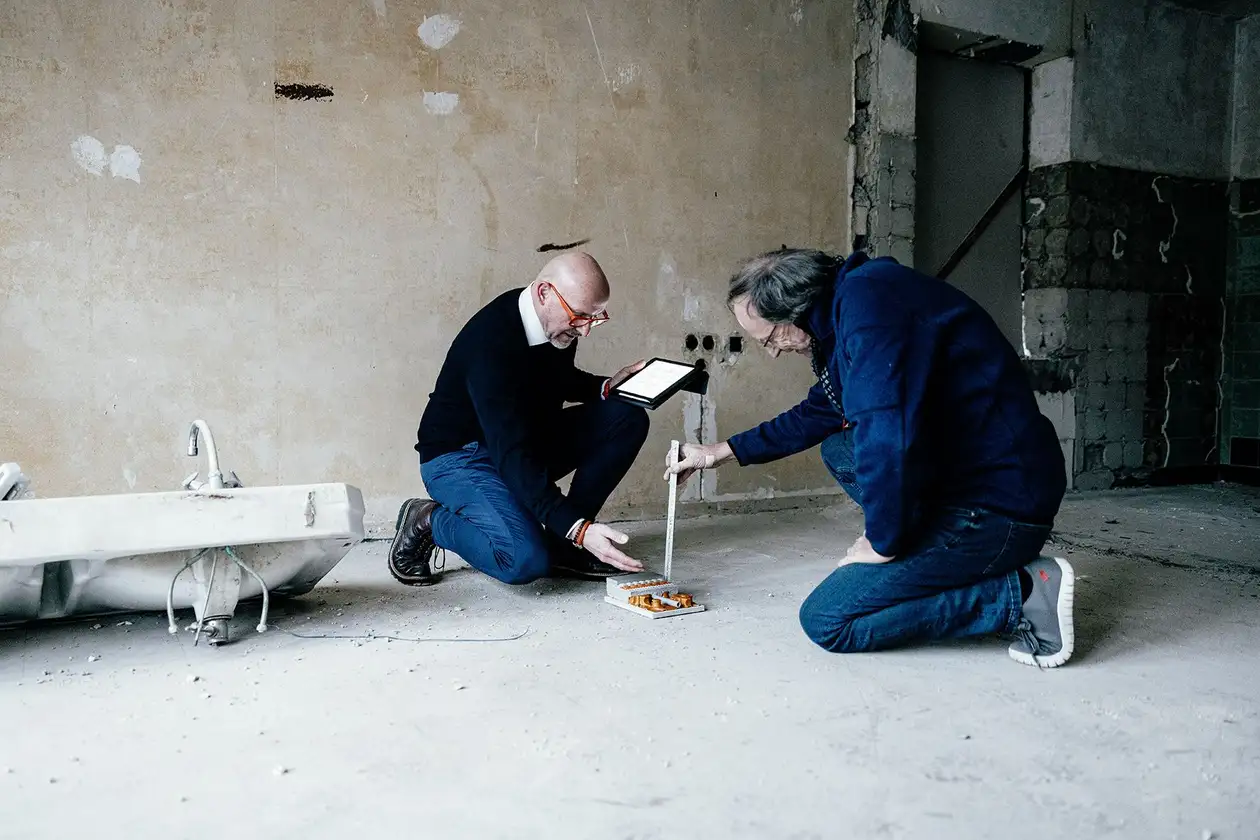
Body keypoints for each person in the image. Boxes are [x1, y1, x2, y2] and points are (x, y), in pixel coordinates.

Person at [666, 249, 1074, 667]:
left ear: (796, 309)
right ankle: (934, 545)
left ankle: (1023, 595)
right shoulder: (853, 302)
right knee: (839, 449)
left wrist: (881, 542)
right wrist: (718, 452)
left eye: (769, 339)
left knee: (829, 620)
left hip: (1000, 504)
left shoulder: (870, 308)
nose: (773, 352)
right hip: (973, 478)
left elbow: (884, 432)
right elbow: (822, 410)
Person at [390, 252, 650, 586]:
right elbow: (512, 455)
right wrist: (579, 528)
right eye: (579, 317)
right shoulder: (491, 342)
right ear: (544, 293)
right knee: (523, 559)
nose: (585, 330)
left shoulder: (555, 324)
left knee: (626, 417)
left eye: (594, 318)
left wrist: (606, 386)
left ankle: (563, 547)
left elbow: (552, 378)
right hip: (460, 458)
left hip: (520, 439)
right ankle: (428, 520)